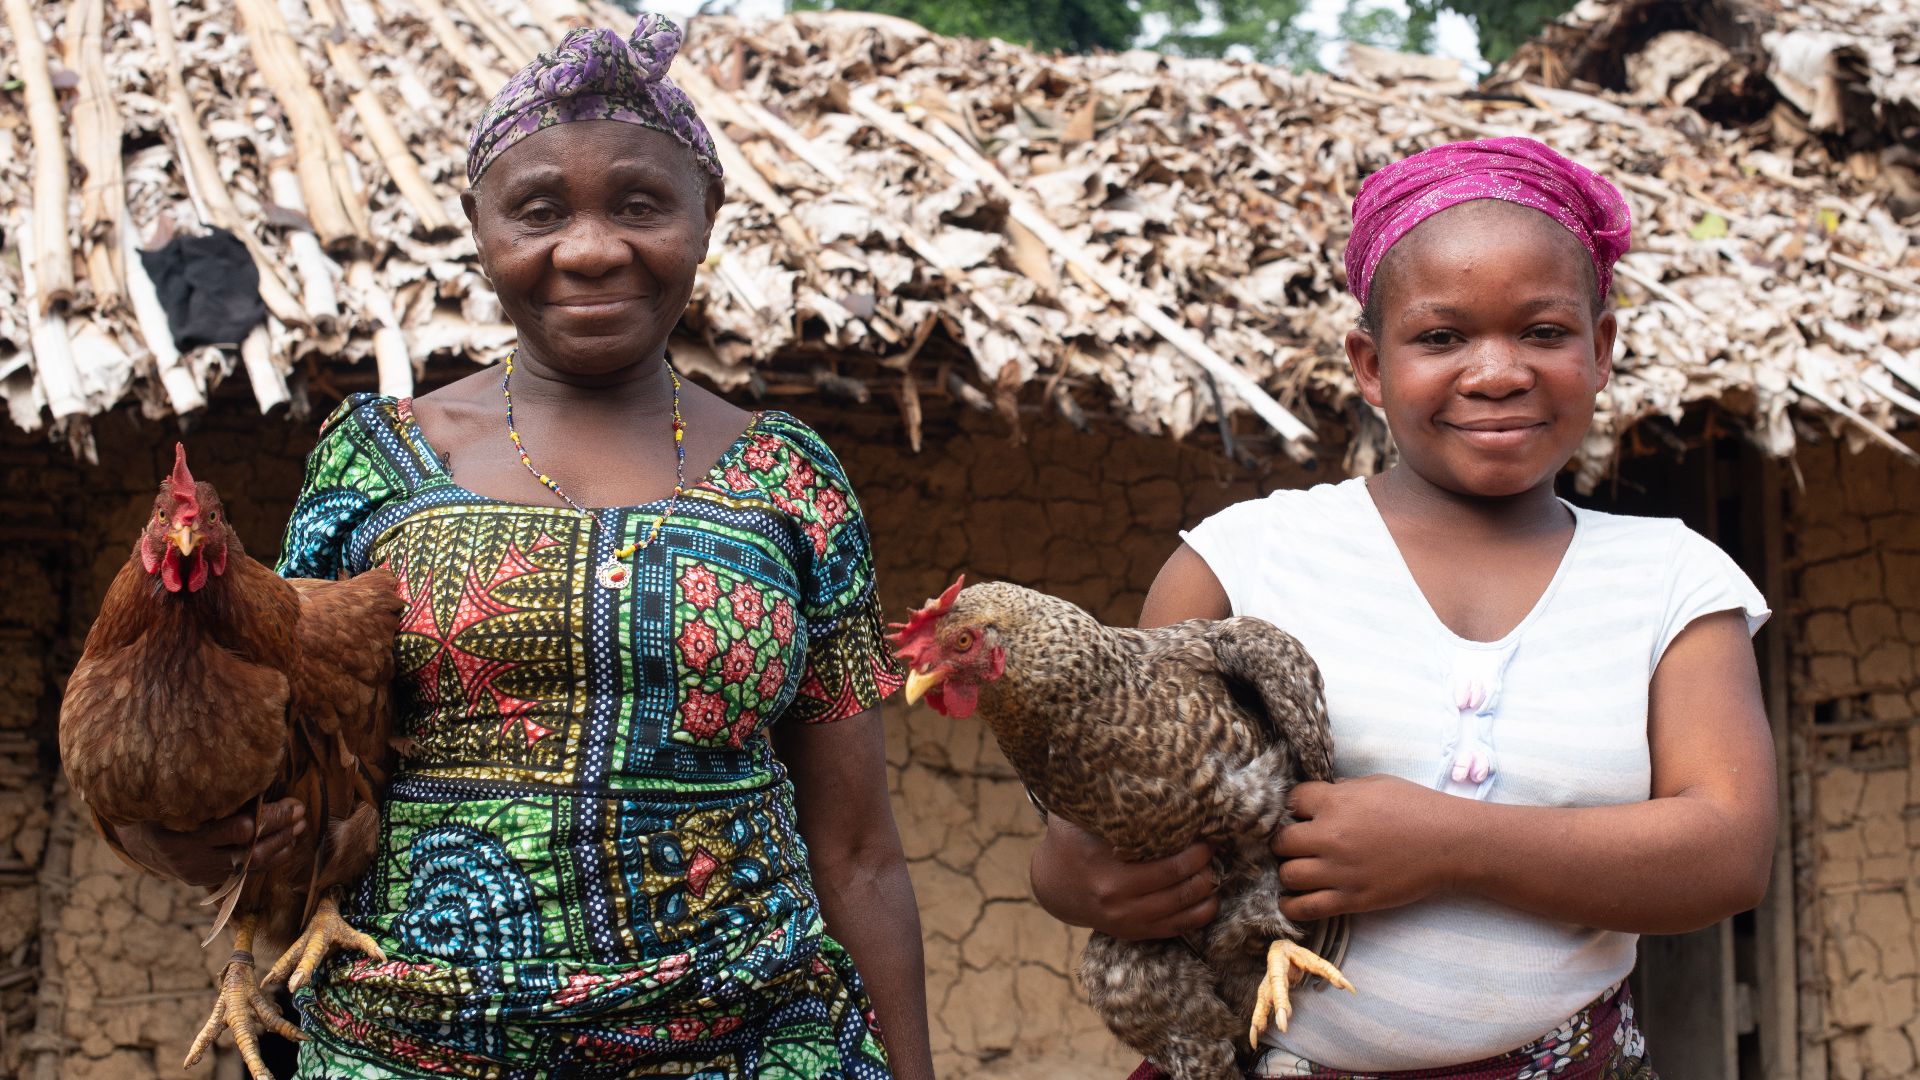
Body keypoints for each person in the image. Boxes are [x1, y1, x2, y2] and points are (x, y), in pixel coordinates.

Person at [112, 14, 934, 1079]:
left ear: (707, 215)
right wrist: (183, 844)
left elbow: (860, 851)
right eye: (539, 209)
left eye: (641, 204)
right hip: (406, 1051)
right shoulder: (372, 463)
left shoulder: (793, 481)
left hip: (746, 1044)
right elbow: (271, 746)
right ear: (479, 225)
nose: (591, 248)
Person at [1029, 138, 1775, 1078]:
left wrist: (1451, 845)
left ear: (1603, 348)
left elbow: (1728, 852)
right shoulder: (1245, 560)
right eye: (1441, 337)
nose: (1497, 372)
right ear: (1371, 367)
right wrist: (1077, 879)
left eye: (1544, 332)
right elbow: (1093, 828)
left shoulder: (1672, 580)